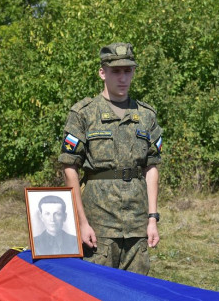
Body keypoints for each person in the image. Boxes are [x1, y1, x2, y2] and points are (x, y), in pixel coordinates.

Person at [58, 42, 162, 275]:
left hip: (137, 221)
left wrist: (152, 218)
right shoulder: (84, 113)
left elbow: (152, 167)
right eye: (116, 71)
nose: (122, 78)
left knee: (136, 290)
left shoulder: (146, 115)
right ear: (102, 72)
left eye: (128, 71)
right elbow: (69, 168)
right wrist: (81, 222)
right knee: (96, 288)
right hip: (99, 221)